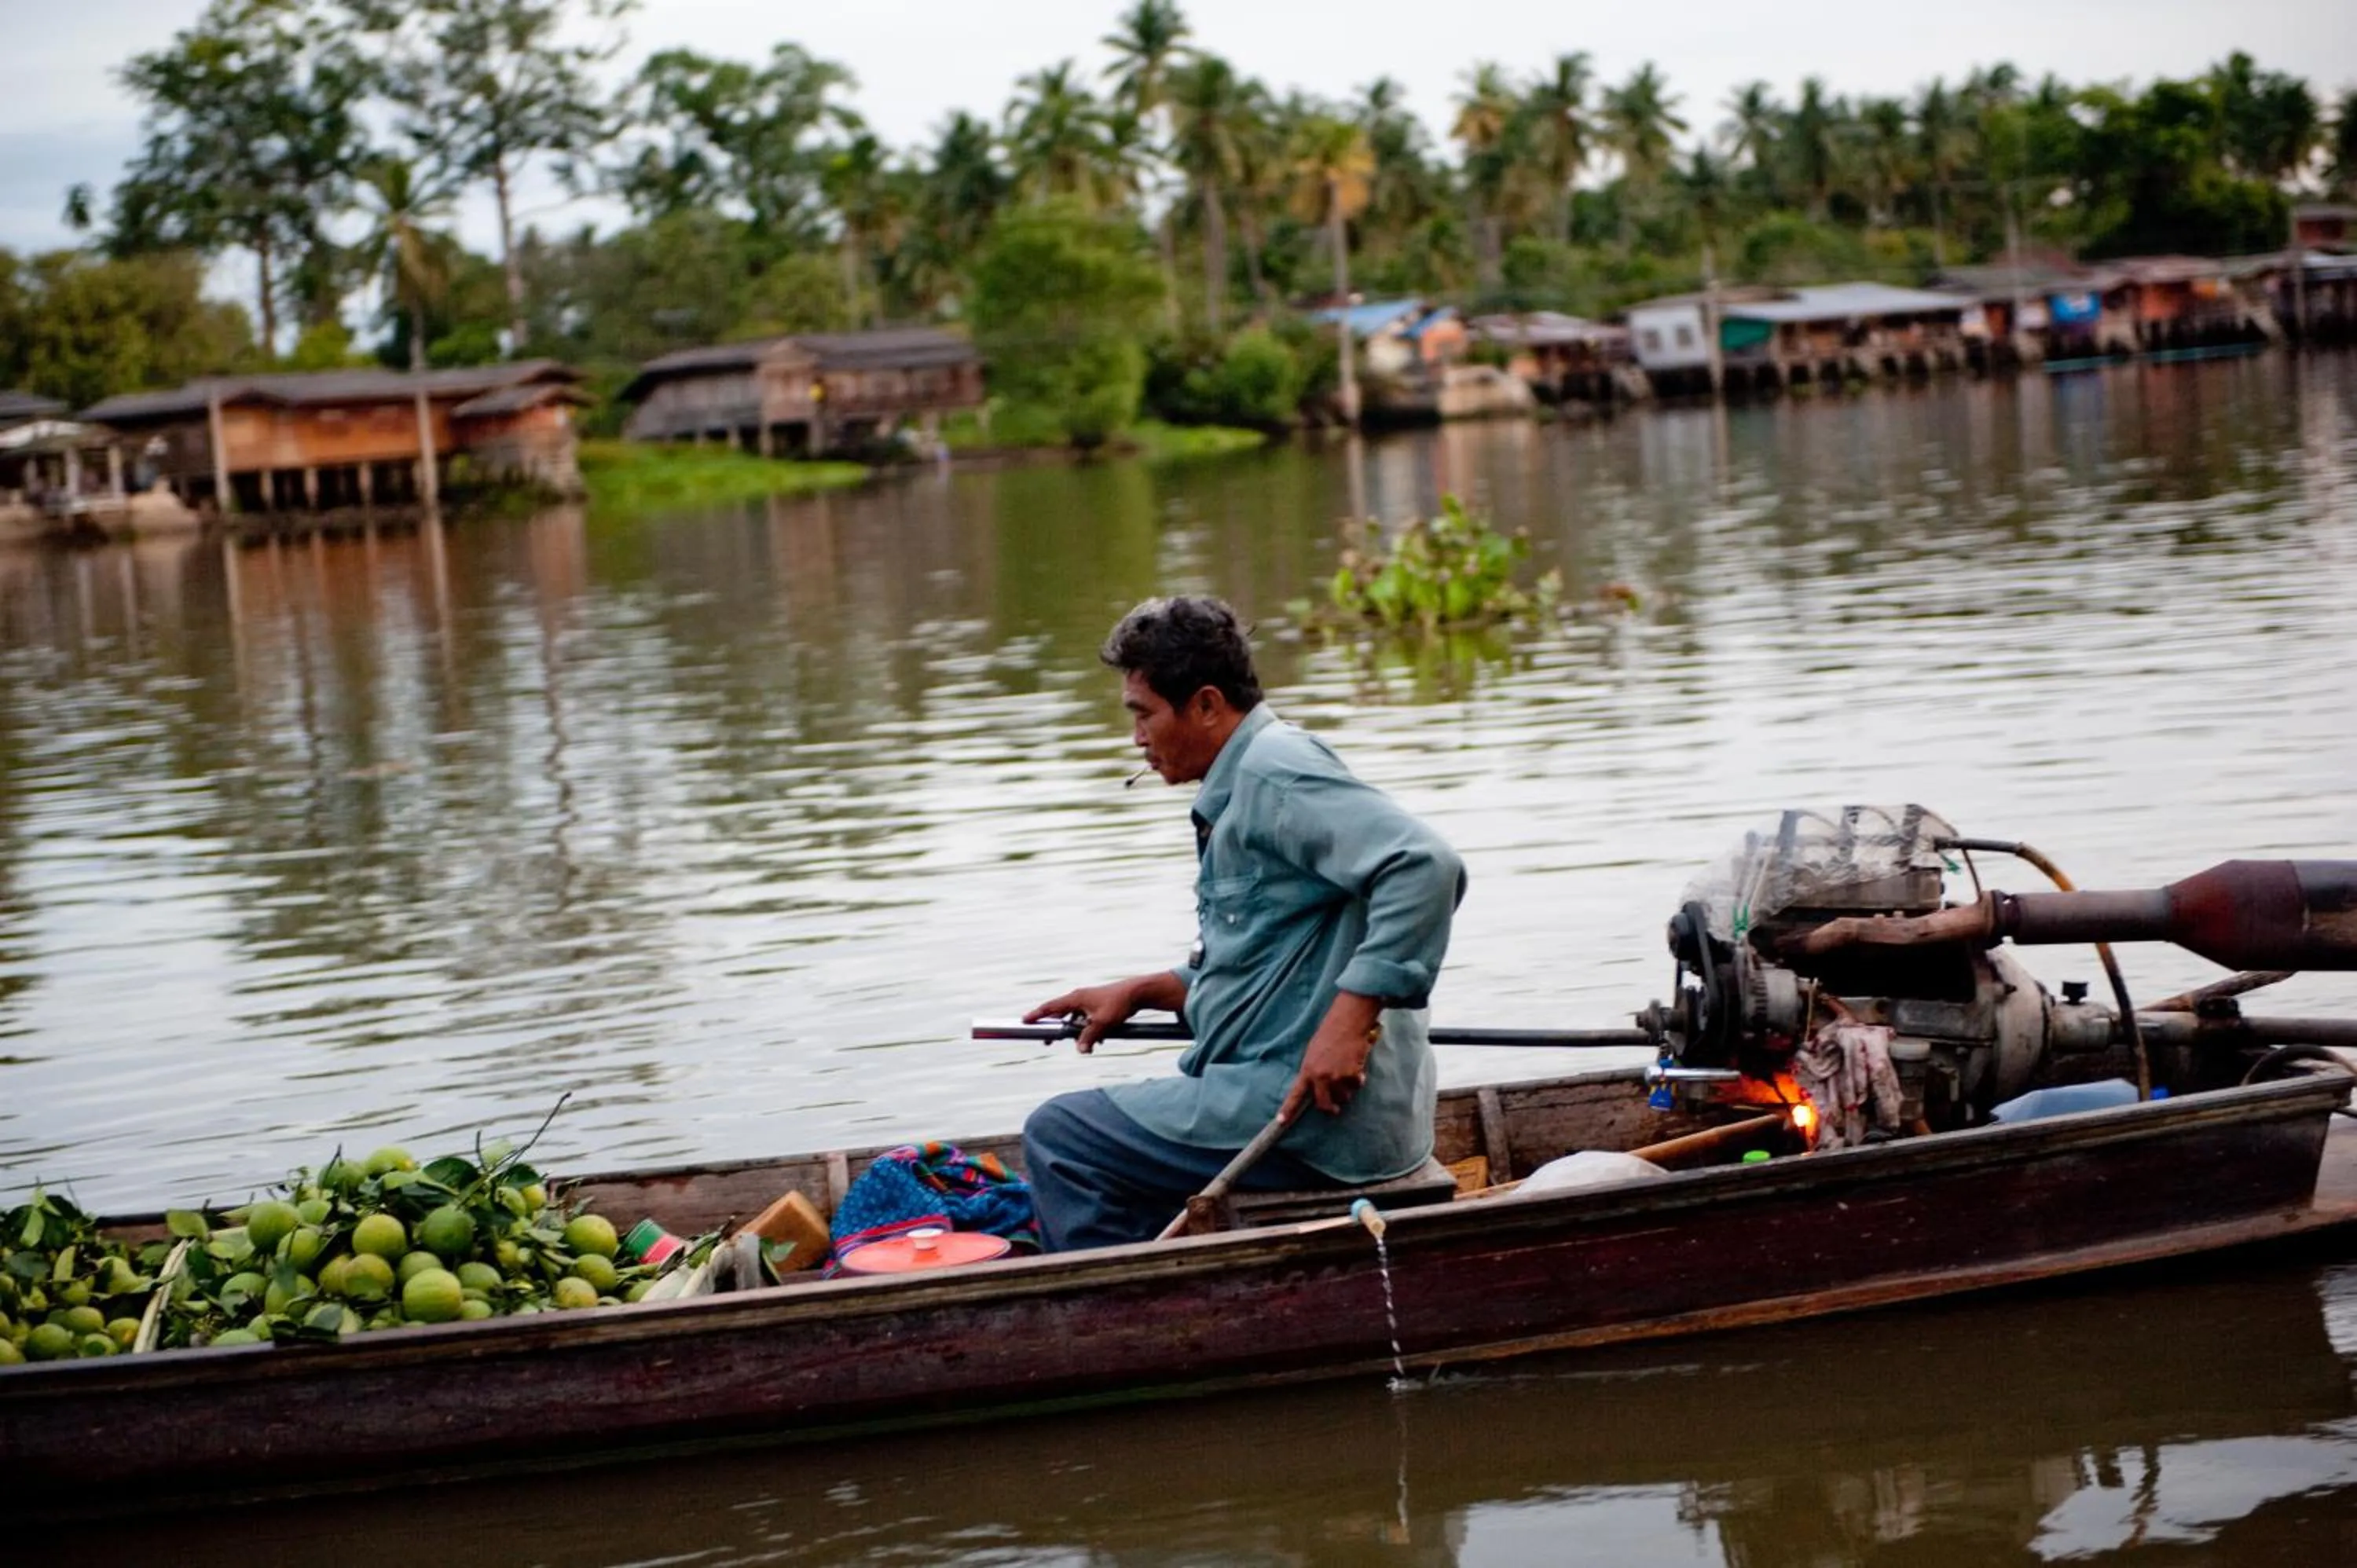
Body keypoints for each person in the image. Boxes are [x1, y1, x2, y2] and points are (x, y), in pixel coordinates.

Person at [1021, 595, 1467, 1251]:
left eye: (1143, 715)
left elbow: (1424, 866)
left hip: (1315, 1117)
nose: (1137, 738)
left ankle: (1122, 1318)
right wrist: (1143, 991)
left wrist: (1348, 1022)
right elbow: (1268, 959)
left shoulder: (1275, 772)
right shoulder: (1244, 783)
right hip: (1285, 1096)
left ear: (1205, 705)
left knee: (1061, 1138)